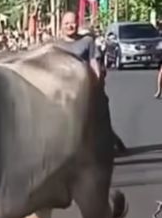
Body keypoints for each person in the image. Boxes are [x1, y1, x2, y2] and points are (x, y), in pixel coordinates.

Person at [54, 12, 128, 154]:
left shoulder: (87, 42)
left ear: (78, 23)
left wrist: (97, 83)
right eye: (66, 23)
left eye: (73, 23)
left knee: (99, 114)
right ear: (61, 26)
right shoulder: (56, 46)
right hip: (63, 89)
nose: (70, 26)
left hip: (85, 87)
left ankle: (112, 141)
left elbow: (94, 63)